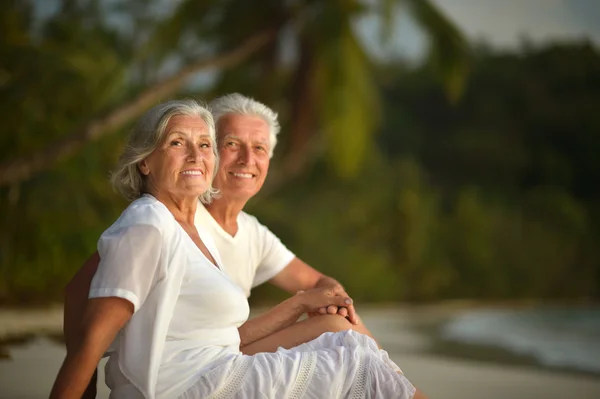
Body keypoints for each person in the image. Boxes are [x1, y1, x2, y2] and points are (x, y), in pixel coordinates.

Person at [50, 99, 420, 398]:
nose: (196, 155)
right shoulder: (149, 224)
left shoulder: (197, 228)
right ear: (145, 161)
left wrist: (304, 302)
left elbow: (220, 337)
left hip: (213, 366)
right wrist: (84, 391)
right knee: (356, 362)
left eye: (204, 145)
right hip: (186, 386)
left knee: (348, 343)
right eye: (178, 142)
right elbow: (88, 322)